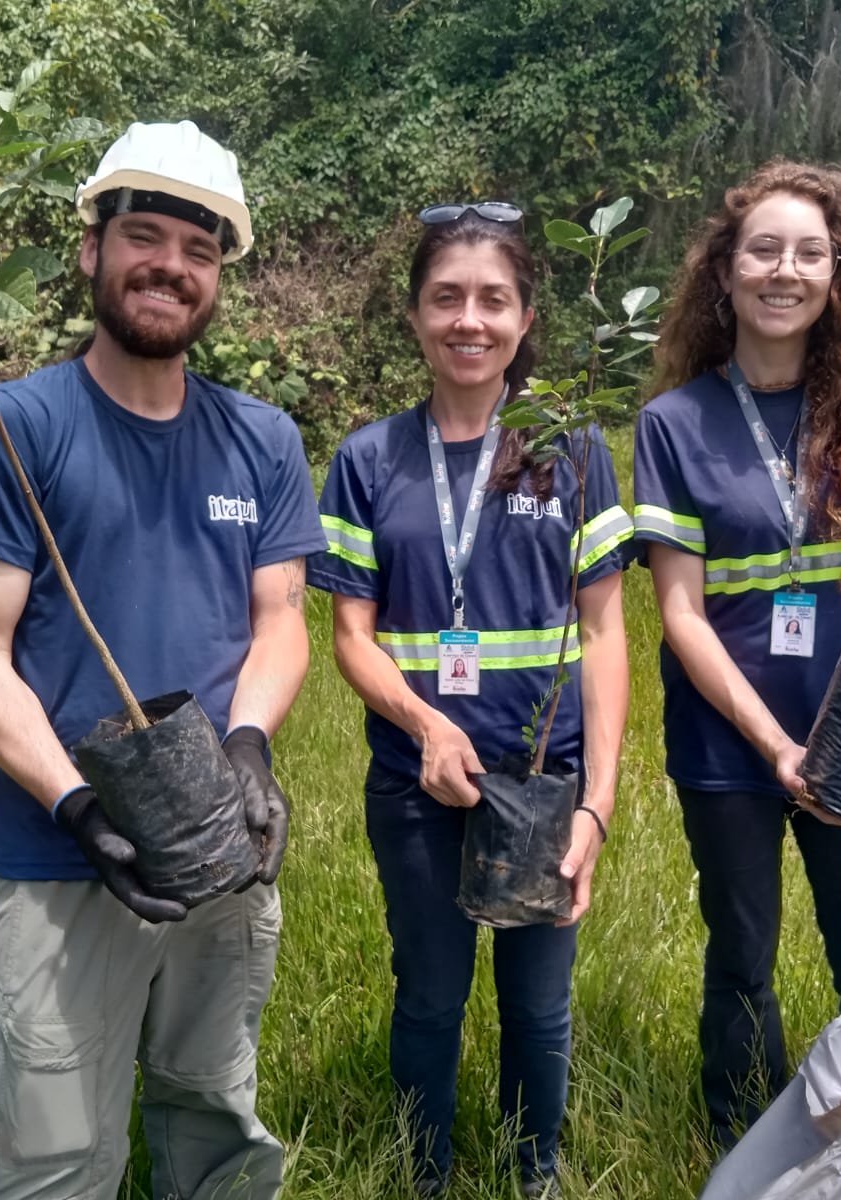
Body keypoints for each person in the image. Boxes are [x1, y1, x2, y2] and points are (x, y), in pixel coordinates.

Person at [0, 121, 327, 1200]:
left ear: (221, 275)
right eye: (143, 235)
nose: (171, 266)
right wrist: (73, 810)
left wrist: (249, 746)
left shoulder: (263, 440)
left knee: (213, 1107)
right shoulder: (12, 426)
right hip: (62, 864)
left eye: (199, 251)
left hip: (221, 852)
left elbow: (281, 619)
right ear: (92, 248)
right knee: (47, 1153)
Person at [632, 160, 841, 1200]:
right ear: (724, 273)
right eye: (764, 250)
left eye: (810, 253)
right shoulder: (675, 423)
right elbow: (680, 611)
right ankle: (748, 1154)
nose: (786, 271)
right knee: (740, 954)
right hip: (726, 744)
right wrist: (769, 742)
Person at [308, 202, 633, 1198]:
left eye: (494, 299)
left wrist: (598, 801)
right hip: (416, 784)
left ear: (527, 318)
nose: (470, 320)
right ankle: (425, 1174)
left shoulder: (573, 454)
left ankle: (535, 1173)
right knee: (431, 996)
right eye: (446, 297)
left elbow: (607, 634)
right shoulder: (368, 462)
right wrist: (425, 722)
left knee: (539, 1005)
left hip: (543, 787)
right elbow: (350, 641)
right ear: (413, 316)